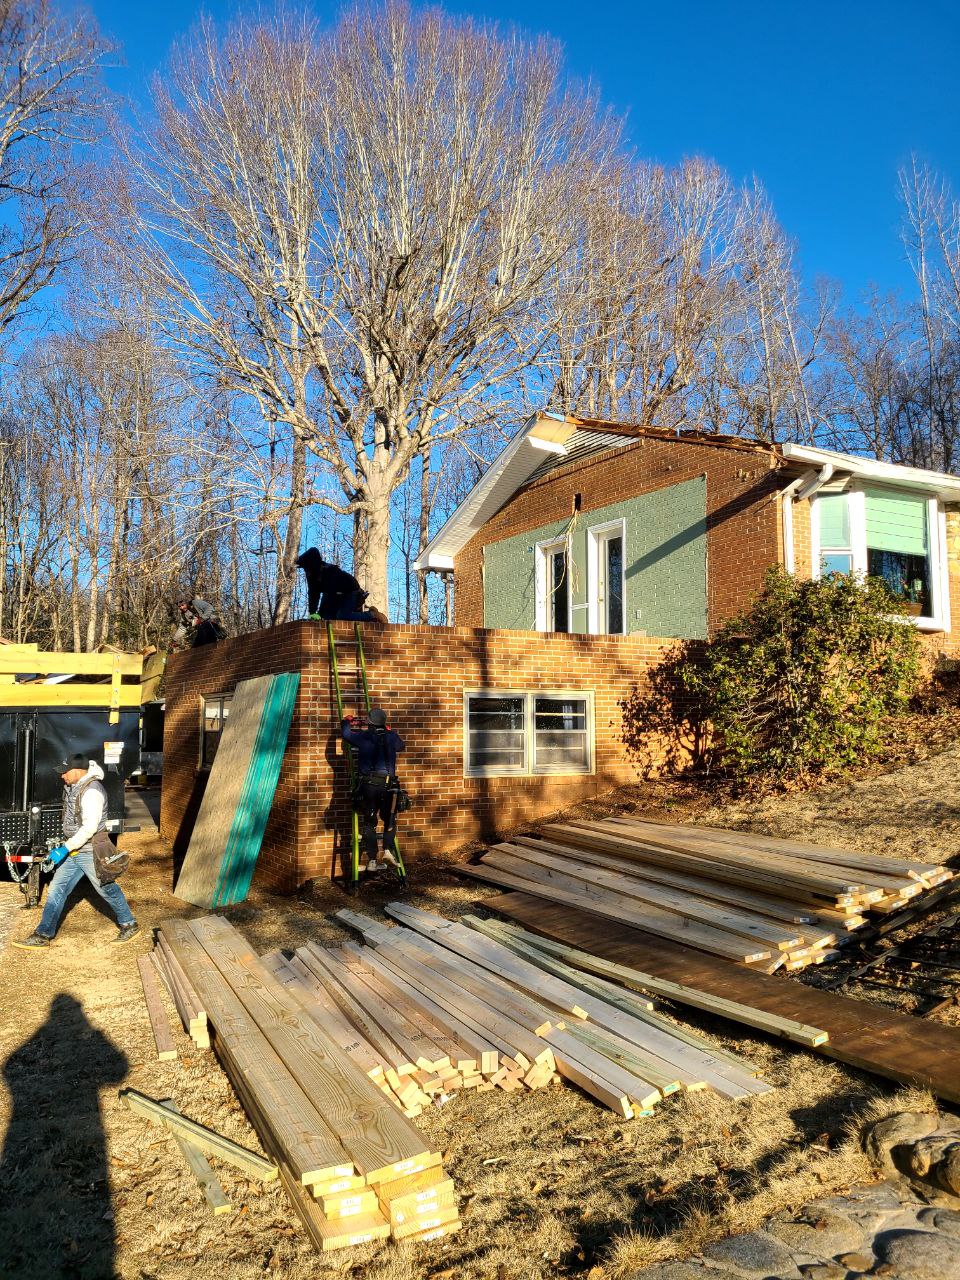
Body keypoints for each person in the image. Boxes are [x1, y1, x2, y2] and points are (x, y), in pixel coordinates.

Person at [13, 754, 139, 948]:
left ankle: (129, 924)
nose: (62, 776)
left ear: (78, 771)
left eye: (65, 772)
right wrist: (67, 847)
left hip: (90, 850)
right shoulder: (75, 788)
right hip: (75, 851)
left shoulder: (92, 792)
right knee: (57, 889)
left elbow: (89, 828)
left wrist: (65, 848)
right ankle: (43, 934)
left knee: (106, 888)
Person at [341, 708, 405, 873]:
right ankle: (388, 852)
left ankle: (371, 860)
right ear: (384, 722)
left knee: (370, 822)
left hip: (369, 785)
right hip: (389, 785)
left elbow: (347, 735)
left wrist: (346, 721)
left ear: (369, 722)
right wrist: (389, 732)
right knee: (389, 820)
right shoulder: (391, 736)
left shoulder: (364, 737)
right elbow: (401, 746)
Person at [295, 548, 371, 620]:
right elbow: (313, 593)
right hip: (337, 594)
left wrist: (320, 613)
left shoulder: (330, 571)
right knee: (327, 617)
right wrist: (312, 612)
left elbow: (328, 595)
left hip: (351, 592)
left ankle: (371, 615)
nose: (306, 570)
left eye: (307, 567)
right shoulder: (311, 575)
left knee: (342, 615)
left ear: (313, 565)